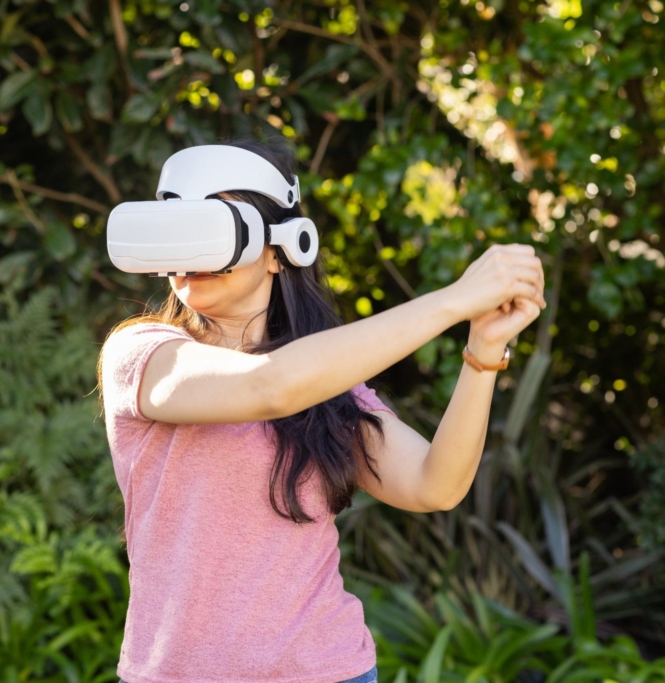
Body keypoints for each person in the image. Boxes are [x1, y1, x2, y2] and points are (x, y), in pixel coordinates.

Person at [96, 136, 546, 683]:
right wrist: (452, 300)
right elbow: (269, 385)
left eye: (212, 229)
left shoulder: (327, 386)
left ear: (280, 248)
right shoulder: (141, 353)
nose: (190, 253)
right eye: (177, 229)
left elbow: (434, 485)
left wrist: (483, 352)